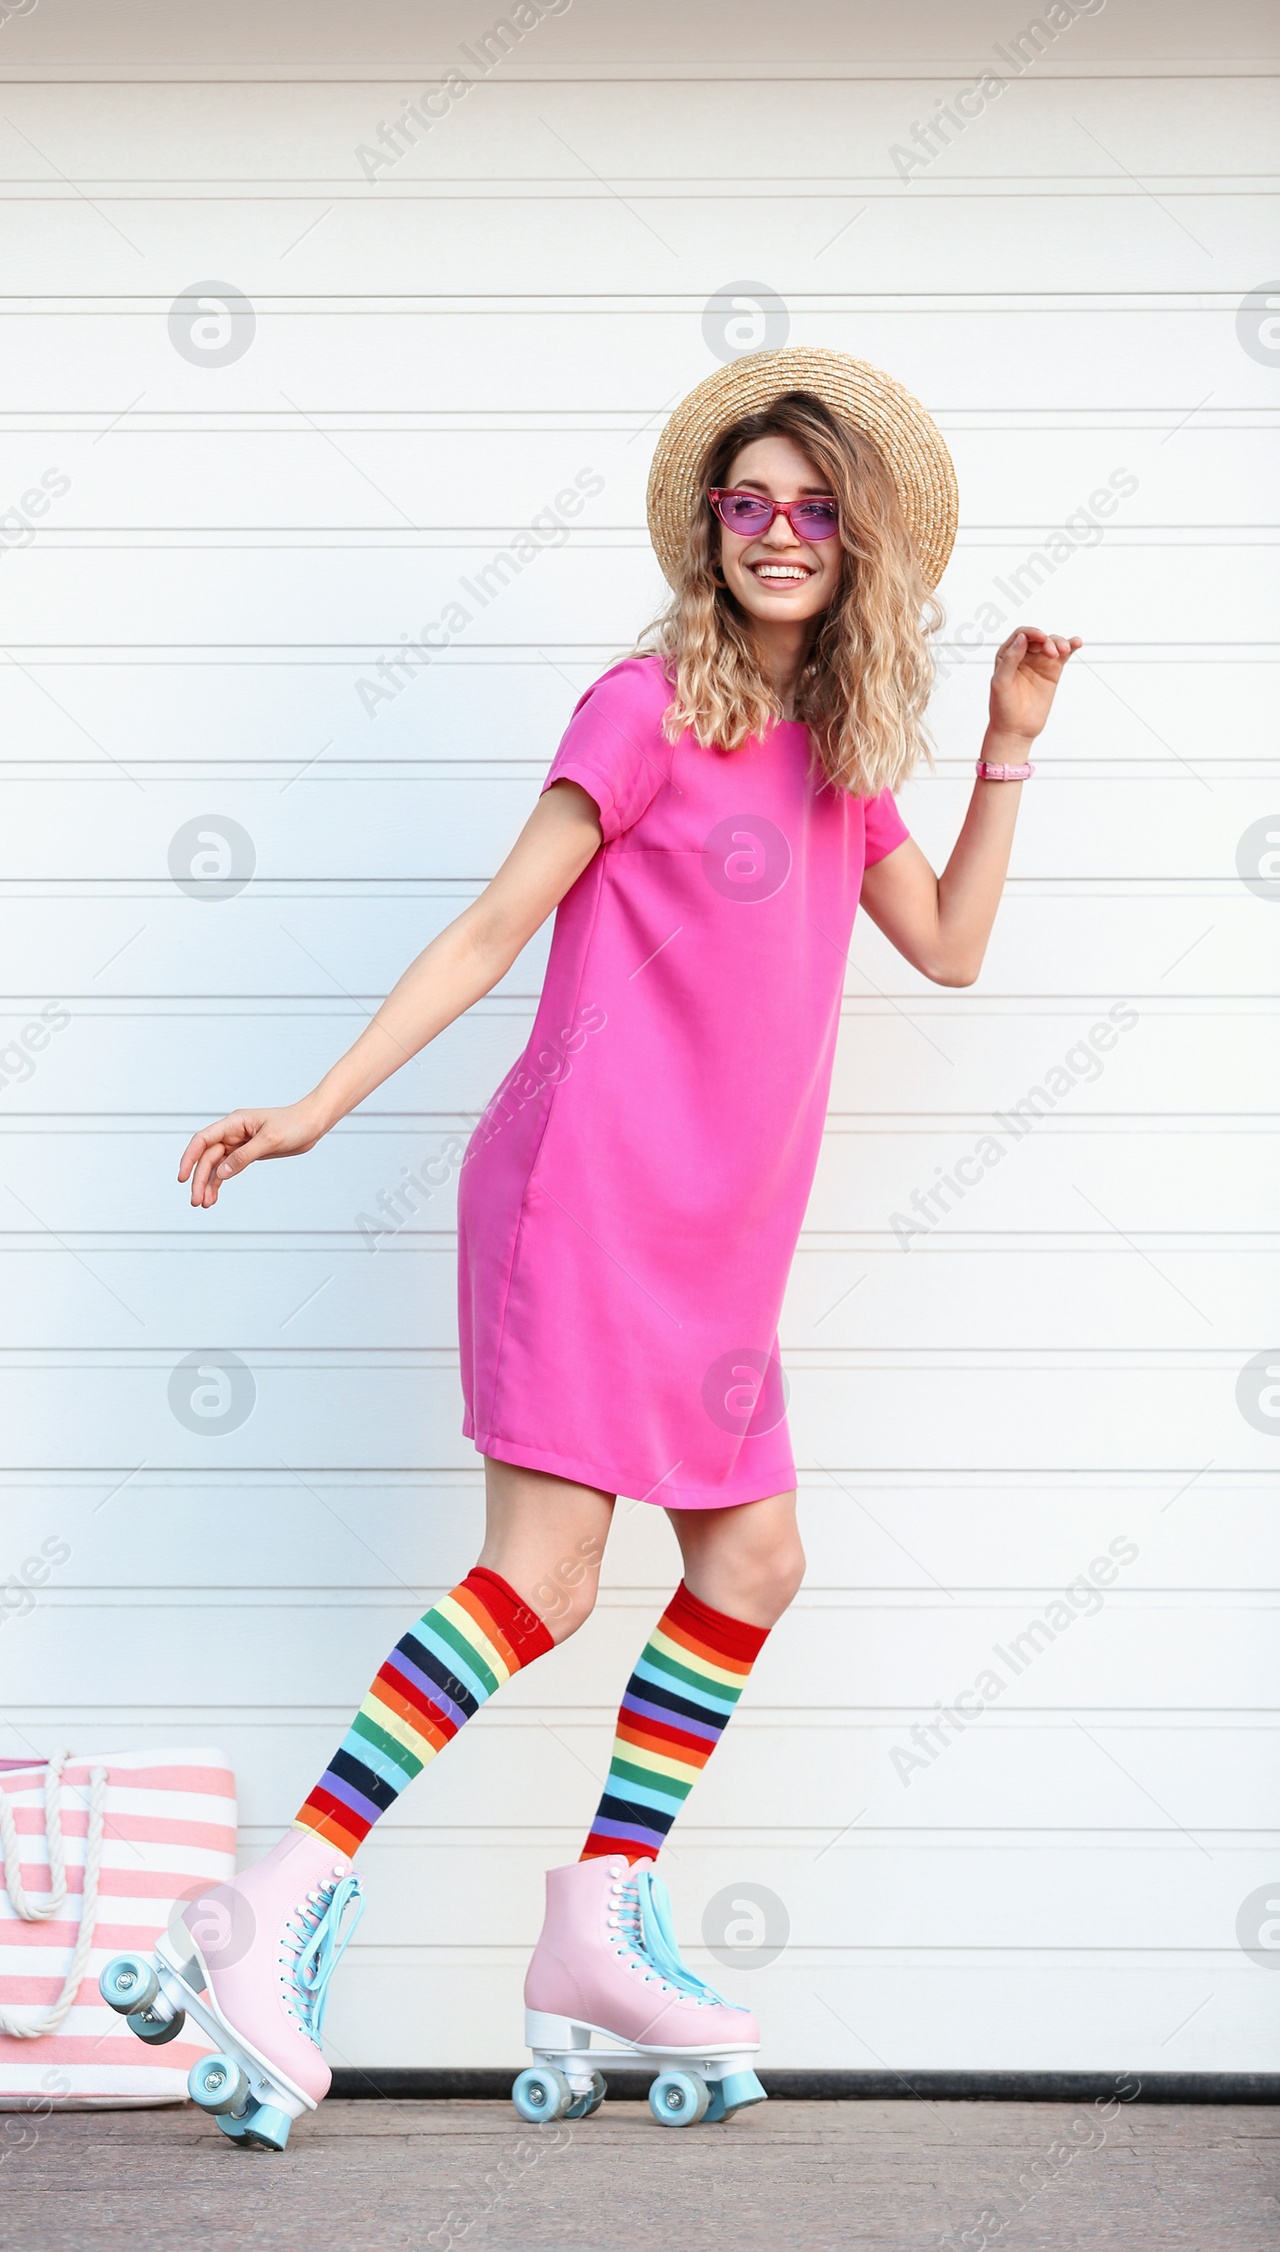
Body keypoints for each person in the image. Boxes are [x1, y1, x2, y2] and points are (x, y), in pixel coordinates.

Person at [160, 349, 1078, 2143]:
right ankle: (280, 1898)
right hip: (583, 1198)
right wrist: (321, 1105)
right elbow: (499, 918)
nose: (782, 534)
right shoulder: (646, 705)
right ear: (709, 529)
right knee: (551, 1578)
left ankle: (595, 1923)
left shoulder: (843, 751)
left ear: (860, 540)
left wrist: (1010, 751)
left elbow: (950, 949)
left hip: (725, 1245)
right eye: (751, 505)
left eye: (817, 509)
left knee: (753, 1561)